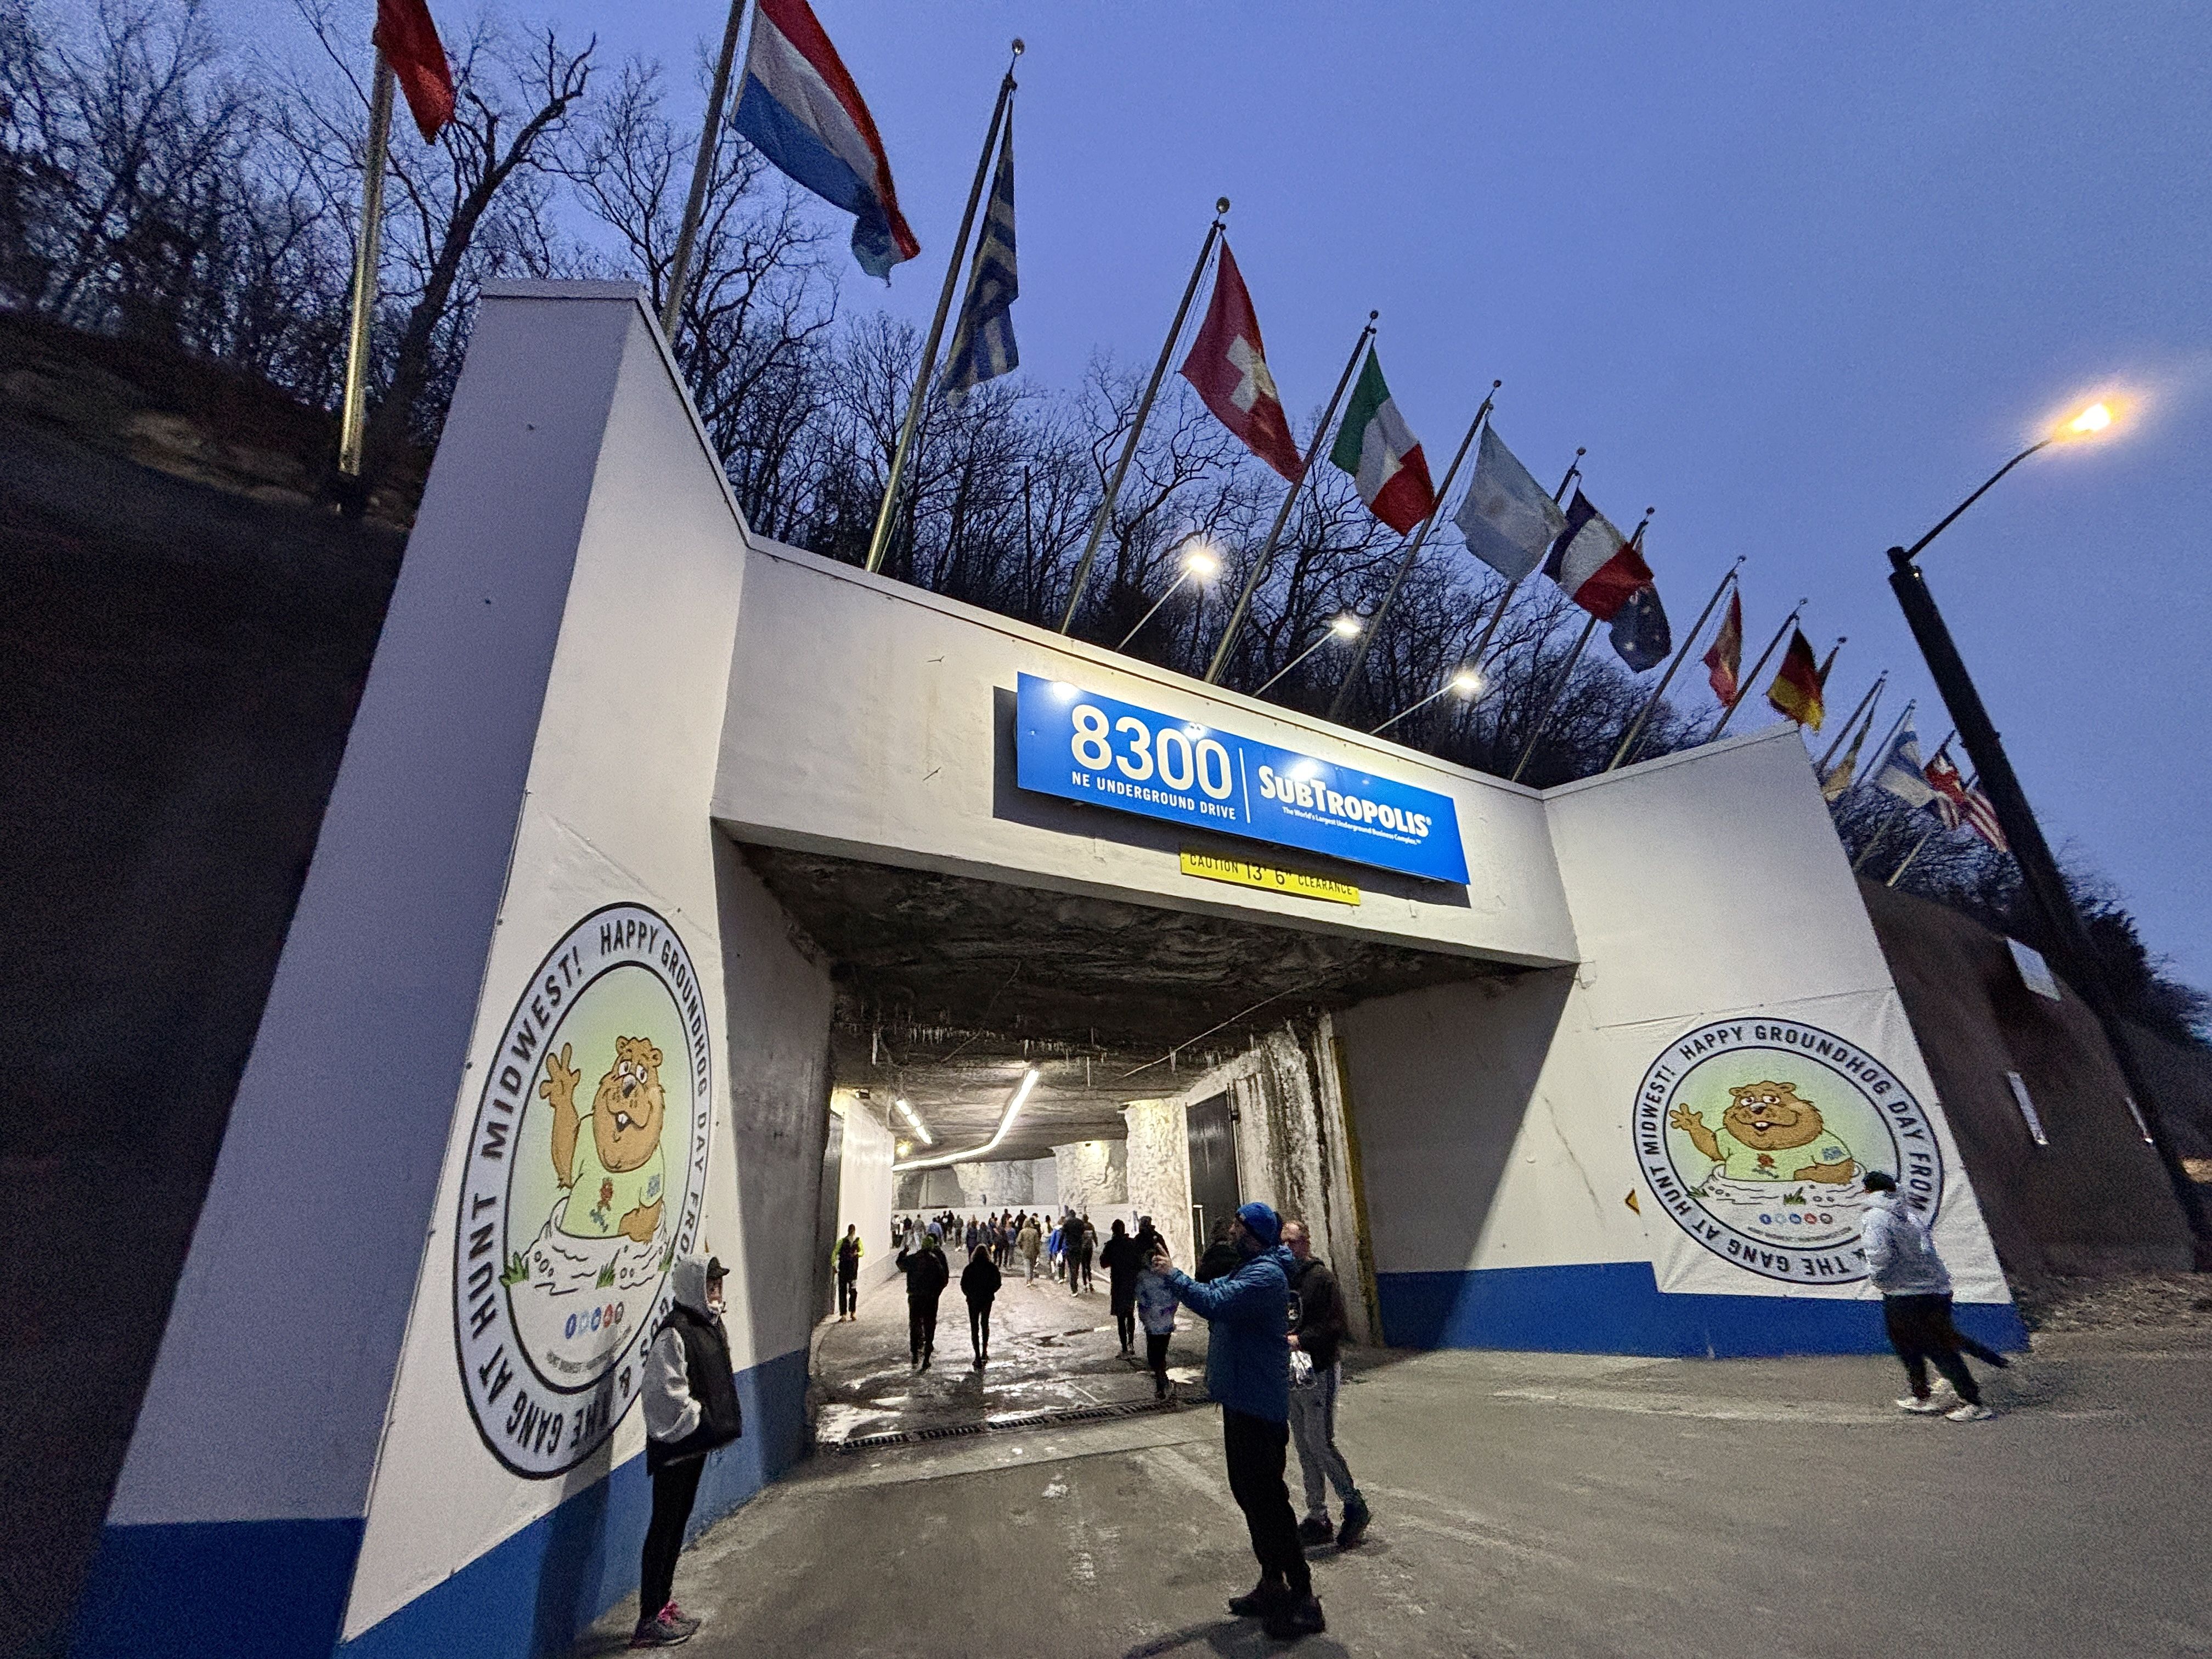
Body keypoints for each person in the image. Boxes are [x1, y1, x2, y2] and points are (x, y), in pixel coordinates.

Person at [1149, 1202, 1325, 1640]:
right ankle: (1272, 1583)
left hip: (1258, 1408)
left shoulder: (1264, 1275)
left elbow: (1213, 1301)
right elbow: (1215, 1287)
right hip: (1241, 1402)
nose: (1231, 1230)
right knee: (1250, 1496)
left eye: (1237, 1225)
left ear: (1252, 1234)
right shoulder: (1251, 1268)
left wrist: (1173, 1273)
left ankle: (1303, 1595)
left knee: (1269, 1501)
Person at [634, 1254, 742, 1648]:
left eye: (719, 1286)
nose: (716, 1293)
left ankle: (663, 1604)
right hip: (676, 1451)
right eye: (710, 1286)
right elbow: (665, 1397)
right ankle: (648, 1619)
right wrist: (699, 1423)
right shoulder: (675, 1333)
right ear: (692, 1288)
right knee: (663, 1528)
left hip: (693, 1449)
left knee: (676, 1525)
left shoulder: (708, 1326)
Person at [1863, 1170, 2003, 1420]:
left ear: (1868, 1191)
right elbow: (1927, 1250)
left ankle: (1967, 1401)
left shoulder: (1876, 1218)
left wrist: (1879, 1279)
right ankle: (1924, 1395)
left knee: (1923, 1348)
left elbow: (1878, 1255)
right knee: (1928, 1345)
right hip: (1935, 1290)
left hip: (1904, 1294)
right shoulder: (1910, 1215)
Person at [1280, 1219, 1370, 1548]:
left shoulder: (1321, 1279)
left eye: (1294, 1242)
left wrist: (1299, 1340)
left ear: (1306, 1242)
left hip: (1318, 1367)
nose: (1289, 1249)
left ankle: (1353, 1504)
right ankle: (1317, 1517)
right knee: (1303, 1446)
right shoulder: (1282, 1279)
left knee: (1320, 1441)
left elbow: (1335, 1326)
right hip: (1295, 1369)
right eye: (1284, 1243)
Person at [1133, 1217, 1178, 1400]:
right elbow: (1175, 1295)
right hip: (1165, 1320)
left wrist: (1145, 1315)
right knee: (1160, 1353)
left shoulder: (1143, 1277)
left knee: (1155, 1354)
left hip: (1153, 1321)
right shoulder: (1158, 1238)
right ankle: (1162, 1381)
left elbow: (1141, 1298)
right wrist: (1170, 1311)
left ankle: (1162, 1382)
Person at [895, 1225, 950, 1370]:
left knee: (914, 1323)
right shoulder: (935, 1261)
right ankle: (927, 1357)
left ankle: (914, 1352)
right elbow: (943, 1279)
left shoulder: (914, 1259)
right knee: (930, 1323)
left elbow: (900, 1265)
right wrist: (937, 1292)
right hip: (931, 1298)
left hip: (914, 1297)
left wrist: (904, 1252)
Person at [1098, 1218, 1144, 1353]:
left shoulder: (1111, 1245)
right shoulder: (1132, 1244)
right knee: (1130, 1313)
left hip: (1118, 1284)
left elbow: (1103, 1263)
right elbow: (1139, 1261)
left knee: (1120, 1316)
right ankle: (1131, 1343)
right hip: (1131, 1283)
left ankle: (1124, 1346)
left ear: (1113, 1231)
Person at [962, 1242, 1002, 1368]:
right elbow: (998, 1283)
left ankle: (977, 1356)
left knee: (974, 1327)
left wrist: (969, 1294)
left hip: (973, 1300)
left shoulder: (970, 1268)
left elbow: (964, 1285)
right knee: (985, 1324)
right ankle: (985, 1352)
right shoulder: (992, 1268)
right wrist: (990, 1292)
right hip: (986, 1299)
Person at [833, 1222, 864, 1322]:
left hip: (853, 1271)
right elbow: (835, 1253)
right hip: (844, 1270)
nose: (851, 1232)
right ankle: (844, 1314)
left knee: (853, 1292)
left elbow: (862, 1252)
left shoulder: (858, 1241)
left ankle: (852, 1312)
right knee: (843, 1292)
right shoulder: (842, 1241)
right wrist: (834, 1264)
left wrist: (857, 1253)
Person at [1018, 1215, 1042, 1283]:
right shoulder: (1035, 1232)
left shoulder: (1022, 1232)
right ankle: (1031, 1279)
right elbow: (1037, 1243)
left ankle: (1028, 1279)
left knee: (1027, 1265)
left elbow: (1018, 1241)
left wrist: (1022, 1247)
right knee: (1032, 1265)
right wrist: (1038, 1251)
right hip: (1033, 1251)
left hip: (1025, 1250)